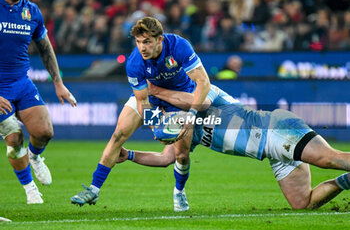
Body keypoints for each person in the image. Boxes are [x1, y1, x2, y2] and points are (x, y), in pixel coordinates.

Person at [118, 83, 350, 210]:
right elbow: (166, 158)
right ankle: (347, 180)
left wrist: (155, 90)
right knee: (303, 204)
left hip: (273, 130)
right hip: (270, 152)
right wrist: (128, 154)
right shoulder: (186, 131)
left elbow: (202, 100)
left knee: (330, 160)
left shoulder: (202, 92)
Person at [70, 17, 211, 212]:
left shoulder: (179, 46)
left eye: (147, 42)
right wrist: (156, 126)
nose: (142, 47)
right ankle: (93, 189)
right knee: (118, 134)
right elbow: (142, 100)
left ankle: (179, 192)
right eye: (138, 42)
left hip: (178, 98)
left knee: (180, 154)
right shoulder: (135, 62)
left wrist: (192, 114)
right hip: (151, 97)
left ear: (160, 39)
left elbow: (204, 82)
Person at [0, 0, 77, 204]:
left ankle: (34, 156)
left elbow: (45, 47)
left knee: (44, 132)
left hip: (21, 83)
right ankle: (30, 189)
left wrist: (58, 83)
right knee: (14, 139)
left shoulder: (31, 11)